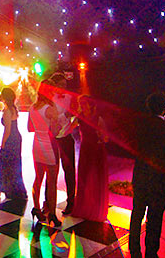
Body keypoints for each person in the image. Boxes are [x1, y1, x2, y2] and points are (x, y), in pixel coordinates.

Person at [129, 92, 165, 258]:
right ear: (164, 107)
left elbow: (132, 148)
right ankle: (151, 253)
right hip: (159, 180)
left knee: (137, 214)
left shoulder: (138, 125)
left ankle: (134, 250)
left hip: (141, 176)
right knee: (155, 218)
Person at [27, 80, 60, 225]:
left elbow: (29, 127)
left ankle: (36, 207)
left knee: (38, 178)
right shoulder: (50, 108)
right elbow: (56, 131)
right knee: (51, 181)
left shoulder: (33, 107)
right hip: (48, 145)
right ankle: (52, 213)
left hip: (37, 144)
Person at [72, 95, 109, 222]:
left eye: (84, 103)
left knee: (95, 180)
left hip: (96, 150)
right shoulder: (79, 117)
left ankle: (95, 211)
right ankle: (83, 208)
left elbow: (106, 138)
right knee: (84, 179)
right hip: (85, 149)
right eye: (80, 103)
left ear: (90, 104)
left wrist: (101, 136)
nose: (82, 106)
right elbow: (67, 129)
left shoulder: (97, 118)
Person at [49, 72, 77, 214]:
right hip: (52, 138)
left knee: (69, 170)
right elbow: (50, 119)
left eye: (65, 85)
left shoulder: (69, 97)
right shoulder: (49, 98)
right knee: (52, 171)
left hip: (66, 137)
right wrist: (63, 115)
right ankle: (48, 202)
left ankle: (71, 201)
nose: (63, 88)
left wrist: (71, 122)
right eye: (61, 85)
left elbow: (76, 114)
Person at [0, 87, 27, 200]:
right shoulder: (12, 109)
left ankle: (10, 189)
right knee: (14, 163)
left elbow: (7, 130)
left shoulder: (7, 111)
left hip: (11, 138)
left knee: (5, 162)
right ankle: (14, 189)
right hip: (16, 137)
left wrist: (3, 143)